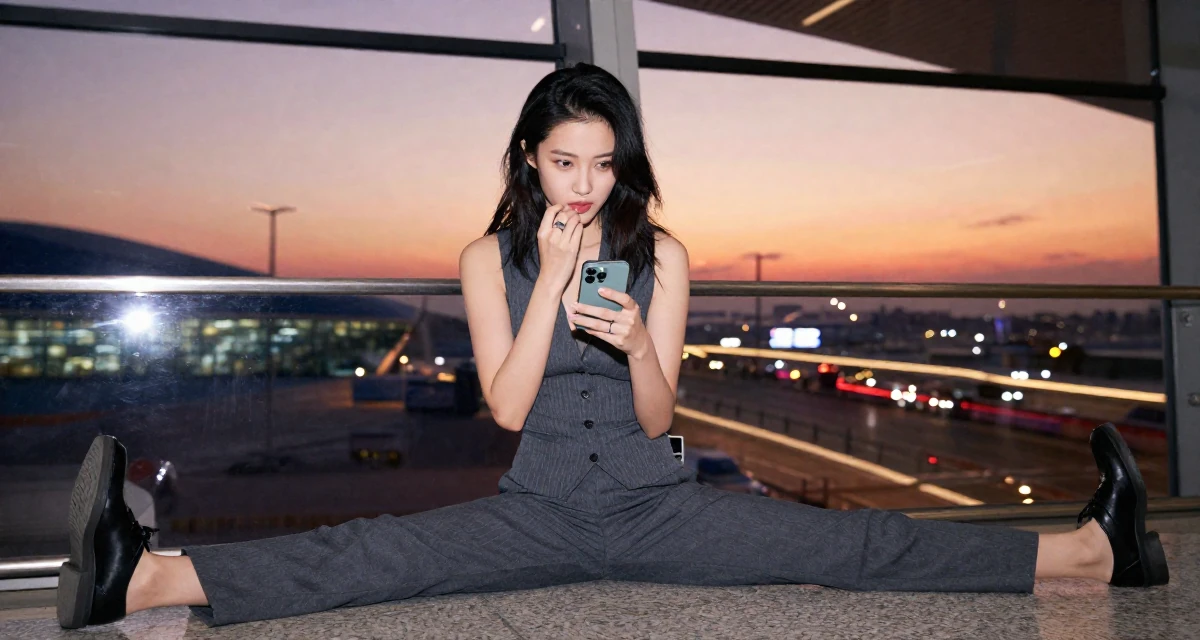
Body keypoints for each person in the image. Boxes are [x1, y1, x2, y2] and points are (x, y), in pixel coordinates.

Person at [56, 63, 1169, 630]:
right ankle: (144, 576)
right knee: (374, 554)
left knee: (851, 547)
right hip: (536, 507)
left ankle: (1089, 555)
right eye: (562, 163)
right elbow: (504, 406)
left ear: (622, 163)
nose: (583, 185)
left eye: (601, 164)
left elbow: (657, 415)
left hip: (659, 506)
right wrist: (546, 281)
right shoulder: (485, 258)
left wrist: (640, 340)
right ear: (527, 159)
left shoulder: (663, 254)